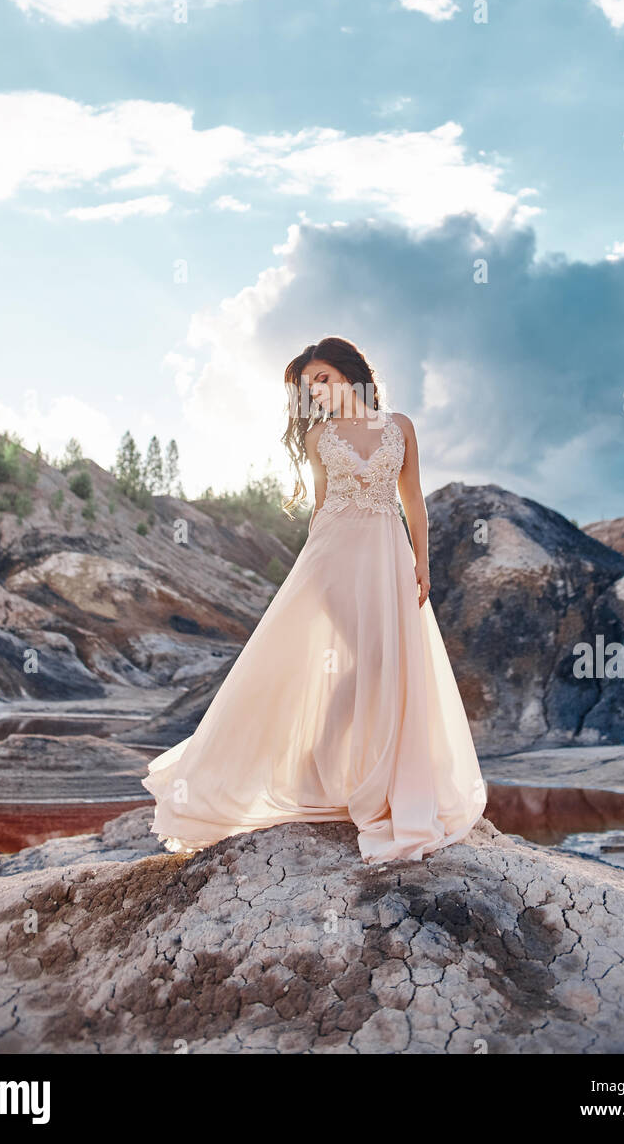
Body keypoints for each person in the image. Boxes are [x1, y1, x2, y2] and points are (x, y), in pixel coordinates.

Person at [141, 335, 486, 863]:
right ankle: (320, 766)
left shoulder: (401, 426)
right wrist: (309, 578)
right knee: (370, 661)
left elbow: (412, 499)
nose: (317, 392)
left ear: (350, 371)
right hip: (333, 561)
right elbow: (321, 507)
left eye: (322, 378)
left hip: (389, 557)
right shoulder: (319, 436)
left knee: (387, 663)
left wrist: (423, 562)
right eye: (309, 387)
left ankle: (348, 770)